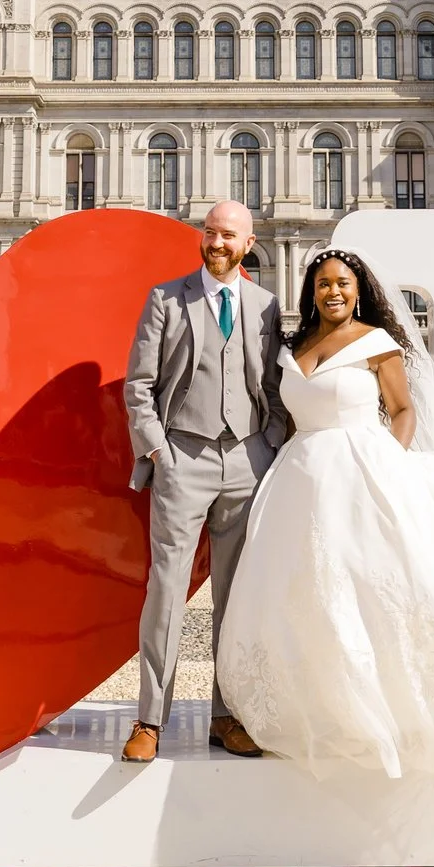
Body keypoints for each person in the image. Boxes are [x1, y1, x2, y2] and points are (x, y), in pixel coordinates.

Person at [215, 249, 434, 777]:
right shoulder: (295, 346)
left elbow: (403, 409)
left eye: (342, 282)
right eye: (322, 284)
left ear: (359, 288)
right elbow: (289, 417)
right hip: (299, 476)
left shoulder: (377, 343)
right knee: (303, 593)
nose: (332, 292)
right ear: (310, 291)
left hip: (363, 467)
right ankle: (317, 706)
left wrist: (391, 460)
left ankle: (398, 712)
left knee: (376, 585)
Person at [120, 200, 288, 765]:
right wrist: (158, 451)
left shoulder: (266, 306)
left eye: (229, 236)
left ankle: (226, 715)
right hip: (182, 459)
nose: (218, 243)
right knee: (165, 589)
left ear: (248, 242)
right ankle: (150, 718)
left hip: (246, 459)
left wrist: (267, 444)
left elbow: (270, 384)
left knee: (234, 597)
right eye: (211, 233)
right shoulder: (167, 298)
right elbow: (138, 386)